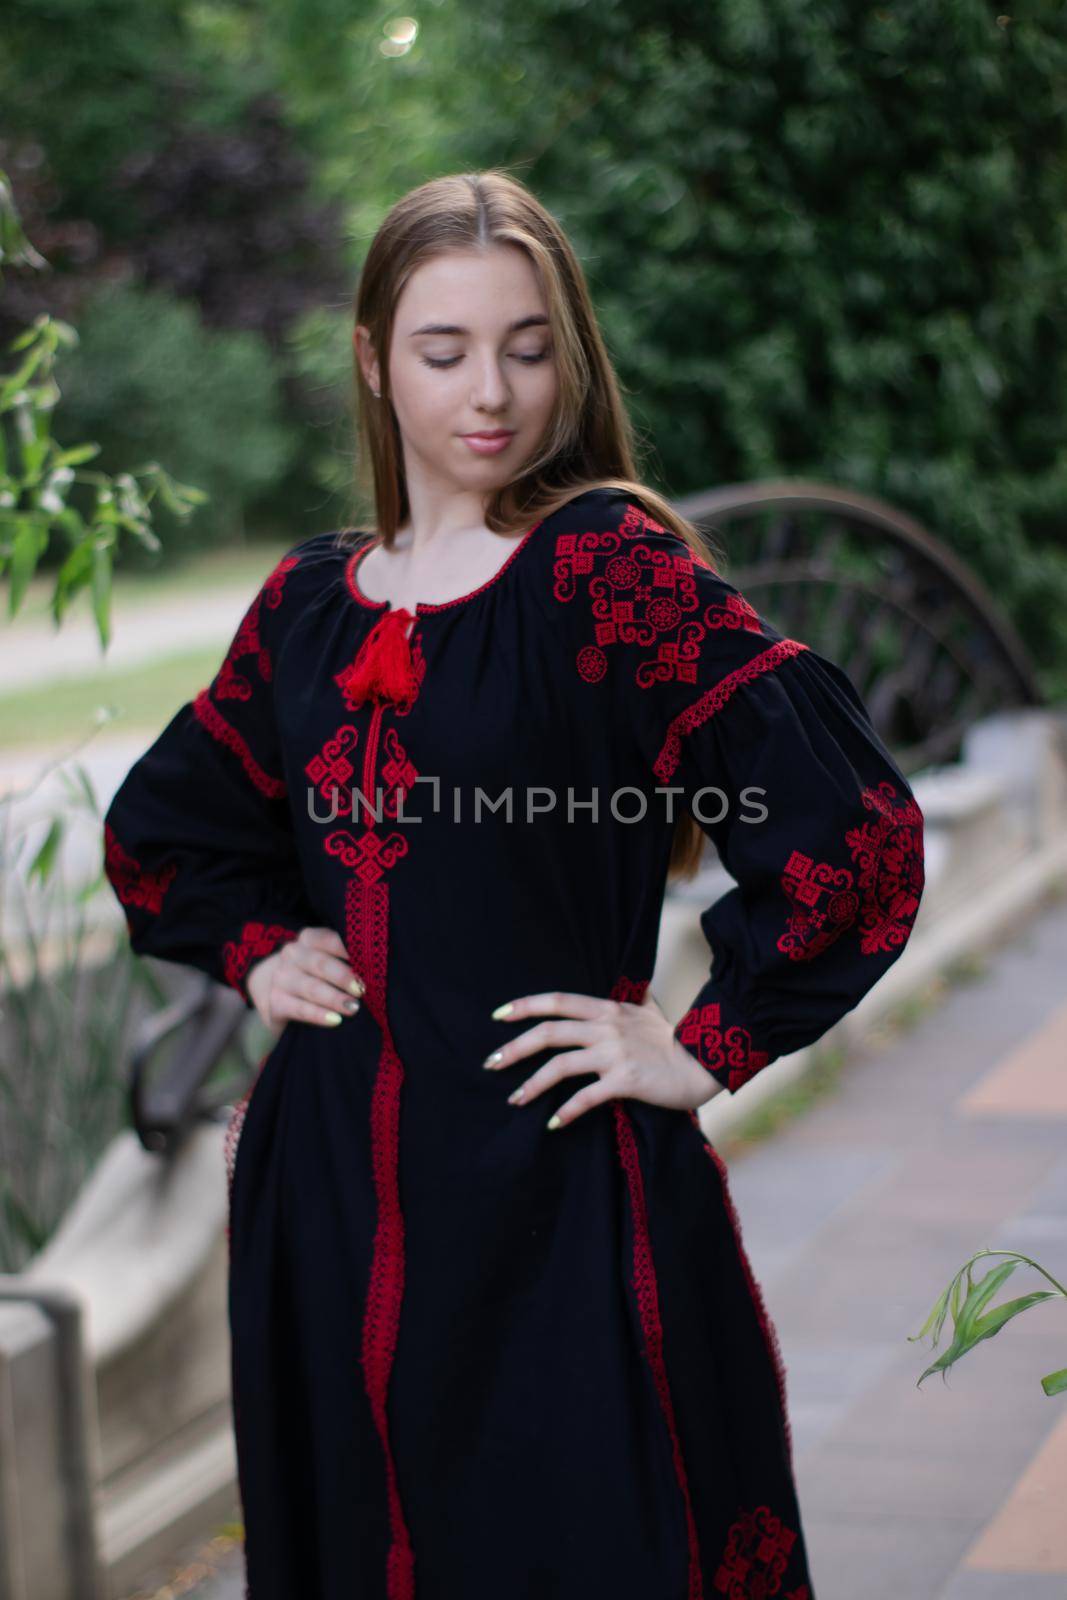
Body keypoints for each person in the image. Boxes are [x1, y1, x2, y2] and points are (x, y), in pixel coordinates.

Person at [102, 170, 925, 1600]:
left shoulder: (606, 573)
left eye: (530, 347)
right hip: (328, 1202)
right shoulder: (305, 602)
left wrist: (704, 1041)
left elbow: (851, 833)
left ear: (570, 355)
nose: (495, 392)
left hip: (555, 1195)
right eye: (445, 351)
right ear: (372, 359)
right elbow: (163, 830)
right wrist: (252, 949)